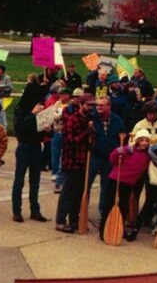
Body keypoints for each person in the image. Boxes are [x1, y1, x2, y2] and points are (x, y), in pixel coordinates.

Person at [100, 130, 150, 242]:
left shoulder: (147, 155)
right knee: (109, 205)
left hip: (128, 184)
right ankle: (103, 229)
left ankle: (120, 229)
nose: (144, 143)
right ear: (137, 141)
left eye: (146, 140)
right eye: (142, 140)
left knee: (123, 207)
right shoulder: (128, 150)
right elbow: (112, 159)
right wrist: (118, 151)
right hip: (116, 179)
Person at [54, 95, 94, 232]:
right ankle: (60, 220)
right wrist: (86, 134)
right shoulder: (72, 120)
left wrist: (91, 137)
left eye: (92, 105)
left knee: (79, 193)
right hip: (71, 161)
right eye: (88, 105)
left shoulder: (88, 120)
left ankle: (74, 220)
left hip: (83, 162)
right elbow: (70, 141)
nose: (90, 108)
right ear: (81, 105)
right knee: (68, 193)